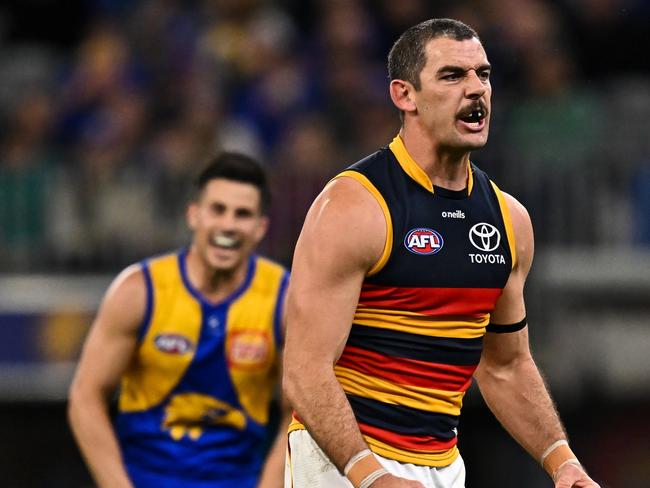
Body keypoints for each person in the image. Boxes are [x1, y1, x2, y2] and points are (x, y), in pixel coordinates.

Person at [282, 18, 600, 488]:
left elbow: (506, 365)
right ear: (404, 95)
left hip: (443, 467)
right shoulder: (354, 207)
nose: (476, 90)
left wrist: (563, 462)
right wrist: (371, 476)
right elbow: (305, 370)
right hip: (342, 462)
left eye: (483, 75)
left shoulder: (509, 222)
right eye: (453, 76)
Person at [68, 152, 291, 488]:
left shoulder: (284, 299)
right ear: (194, 215)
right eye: (218, 210)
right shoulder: (139, 292)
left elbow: (298, 410)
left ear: (260, 228)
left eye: (242, 214)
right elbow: (86, 397)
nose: (228, 225)